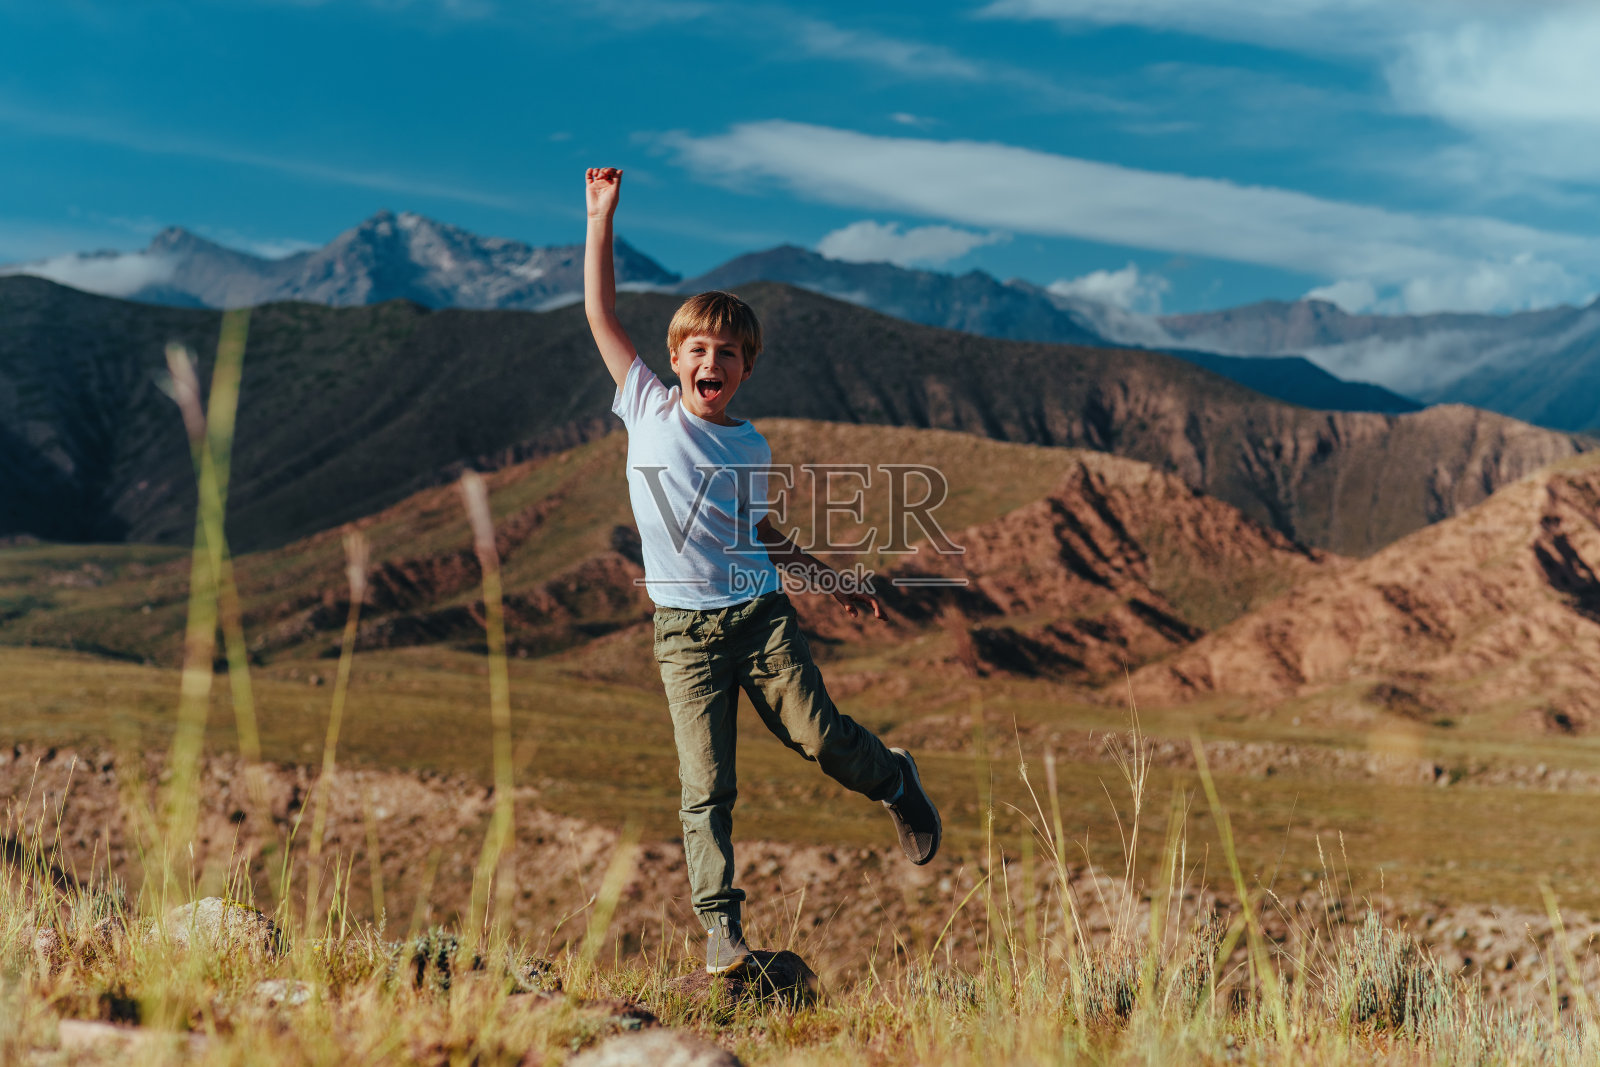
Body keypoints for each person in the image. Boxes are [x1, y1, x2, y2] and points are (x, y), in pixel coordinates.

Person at [583, 167, 941, 975]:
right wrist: (601, 217)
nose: (714, 360)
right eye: (699, 348)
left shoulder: (750, 445)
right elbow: (600, 313)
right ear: (675, 359)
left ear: (747, 368)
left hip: (759, 618)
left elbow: (757, 532)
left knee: (818, 736)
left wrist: (835, 579)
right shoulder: (645, 403)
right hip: (682, 633)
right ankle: (722, 930)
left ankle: (895, 781)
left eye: (731, 352)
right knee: (705, 786)